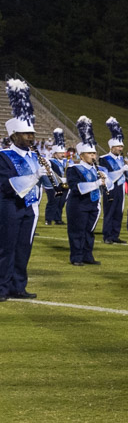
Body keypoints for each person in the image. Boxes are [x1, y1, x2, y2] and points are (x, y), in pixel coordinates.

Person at [1, 79, 54, 301]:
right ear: (14, 136)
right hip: (9, 206)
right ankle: (2, 287)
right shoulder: (3, 156)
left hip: (30, 208)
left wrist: (50, 175)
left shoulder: (35, 156)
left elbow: (48, 184)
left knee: (24, 249)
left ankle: (18, 286)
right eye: (26, 134)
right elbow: (7, 184)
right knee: (6, 248)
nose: (31, 137)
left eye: (31, 134)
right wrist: (36, 176)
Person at [65, 118, 105, 266]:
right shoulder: (73, 169)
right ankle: (76, 257)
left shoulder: (97, 170)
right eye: (89, 153)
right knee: (77, 231)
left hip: (92, 204)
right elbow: (76, 188)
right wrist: (96, 183)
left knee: (89, 231)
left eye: (94, 153)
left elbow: (110, 186)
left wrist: (104, 179)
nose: (93, 156)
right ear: (81, 155)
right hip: (78, 205)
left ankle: (87, 256)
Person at [98, 117, 128, 244]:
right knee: (109, 211)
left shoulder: (122, 159)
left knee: (118, 212)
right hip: (110, 187)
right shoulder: (104, 159)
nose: (120, 149)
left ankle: (115, 234)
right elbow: (108, 176)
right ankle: (107, 236)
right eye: (118, 146)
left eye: (121, 146)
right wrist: (122, 170)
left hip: (120, 187)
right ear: (111, 147)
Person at [44, 128, 68, 226]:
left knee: (61, 202)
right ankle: (48, 219)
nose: (63, 154)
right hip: (54, 184)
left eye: (63, 153)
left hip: (64, 185)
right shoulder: (51, 161)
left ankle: (58, 219)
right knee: (53, 202)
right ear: (55, 153)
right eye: (60, 153)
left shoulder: (67, 162)